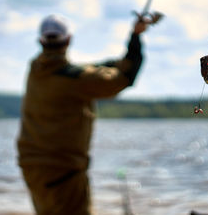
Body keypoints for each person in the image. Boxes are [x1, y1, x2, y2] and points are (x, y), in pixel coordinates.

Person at [17, 14, 156, 215]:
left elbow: (83, 71)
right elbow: (124, 78)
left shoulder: (36, 69)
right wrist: (135, 36)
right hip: (63, 171)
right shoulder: (76, 80)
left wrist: (117, 60)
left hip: (32, 166)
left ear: (41, 41)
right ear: (68, 40)